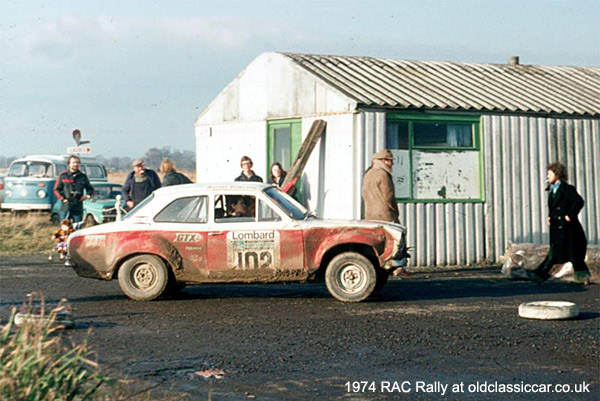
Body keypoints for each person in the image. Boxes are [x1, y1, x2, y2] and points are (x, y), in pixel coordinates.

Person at [532, 162, 590, 283]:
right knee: (554, 252)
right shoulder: (552, 190)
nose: (547, 177)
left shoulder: (567, 189)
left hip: (568, 228)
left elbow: (579, 201)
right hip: (557, 227)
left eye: (549, 174)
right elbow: (554, 207)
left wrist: (570, 215)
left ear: (557, 175)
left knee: (574, 254)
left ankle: (583, 276)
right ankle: (540, 273)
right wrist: (550, 216)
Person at [362, 149, 409, 278]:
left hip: (370, 215)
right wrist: (395, 211)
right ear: (383, 161)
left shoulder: (368, 174)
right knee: (397, 241)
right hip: (385, 214)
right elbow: (389, 197)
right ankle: (398, 268)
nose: (391, 164)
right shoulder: (384, 175)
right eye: (389, 161)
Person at [54, 155, 94, 223]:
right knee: (64, 228)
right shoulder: (63, 176)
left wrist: (87, 196)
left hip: (77, 206)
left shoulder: (82, 176)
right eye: (73, 162)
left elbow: (90, 189)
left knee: (77, 227)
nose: (75, 164)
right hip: (66, 206)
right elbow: (56, 189)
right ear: (69, 164)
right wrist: (63, 199)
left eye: (77, 162)